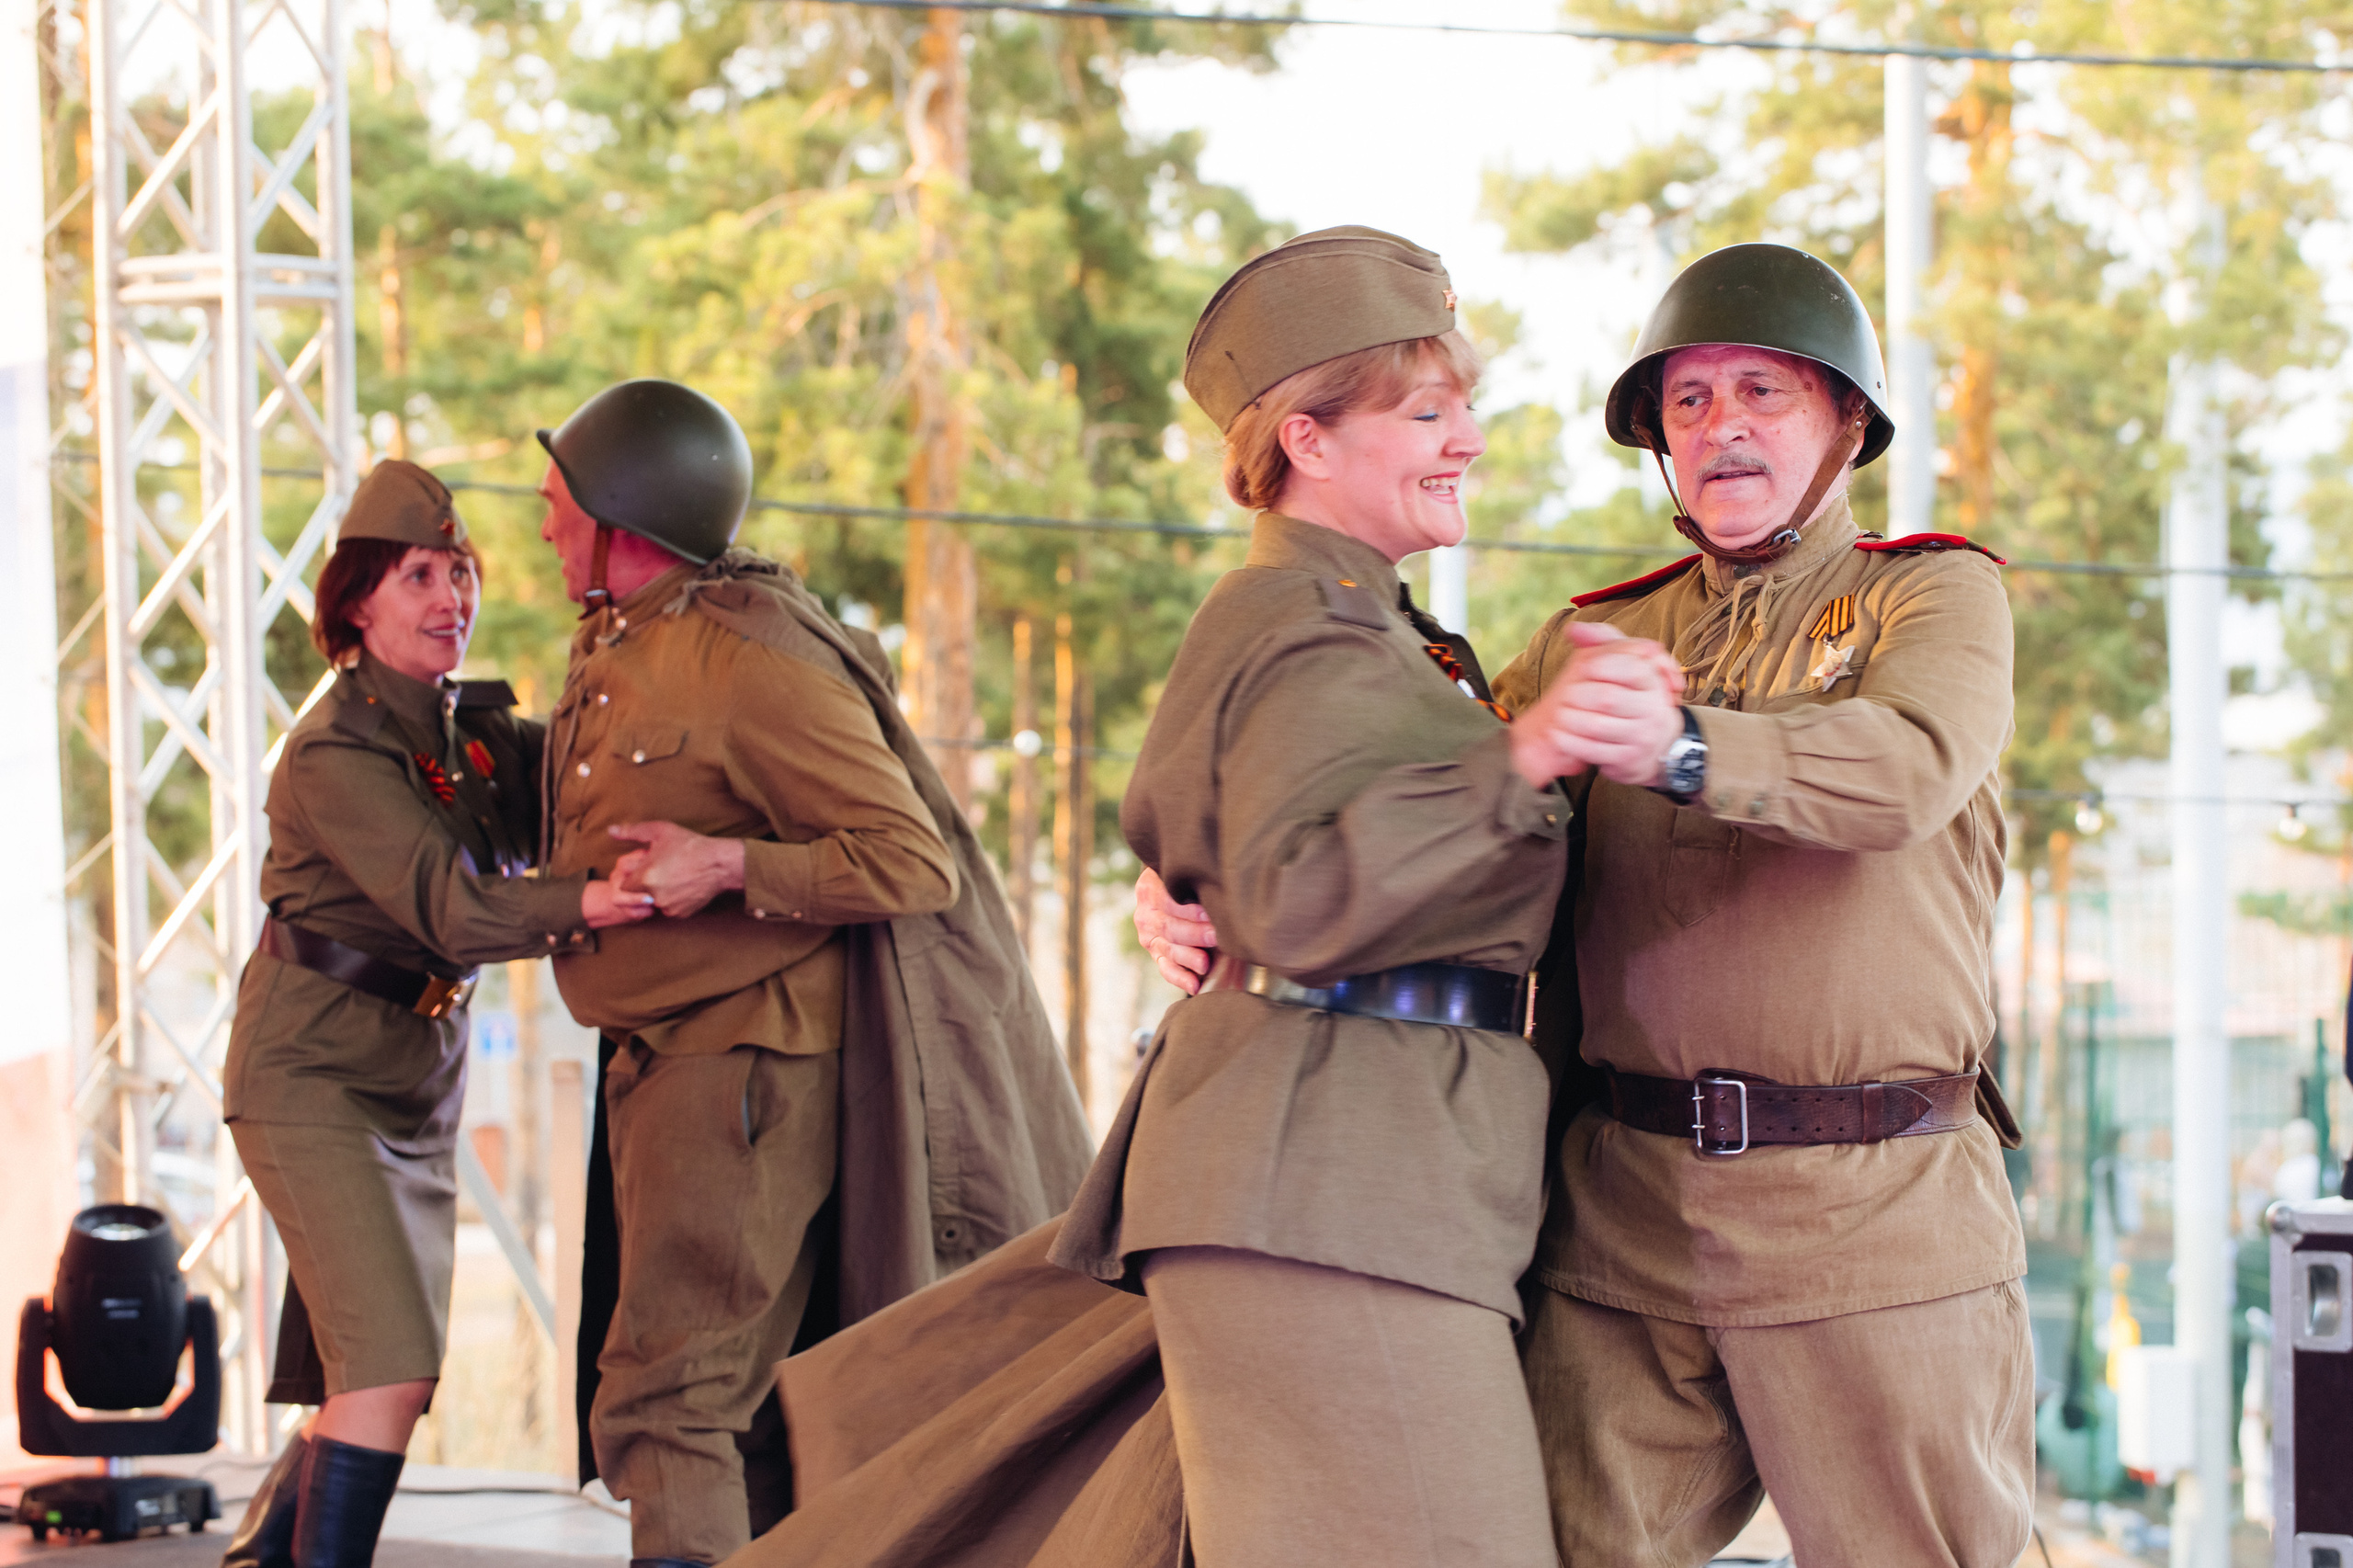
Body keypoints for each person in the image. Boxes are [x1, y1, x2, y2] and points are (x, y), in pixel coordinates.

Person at [1143, 241, 2033, 1568]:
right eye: (1688, 402)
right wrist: (1184, 873)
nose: (1721, 426)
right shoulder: (1588, 637)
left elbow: (1903, 771)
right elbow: (1414, 791)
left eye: (1762, 393)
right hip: (1622, 1223)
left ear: (1847, 418)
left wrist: (1679, 748)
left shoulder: (1932, 594)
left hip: (1872, 1215)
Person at [1038, 224, 1610, 1567]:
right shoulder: (1300, 618)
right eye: (1427, 409)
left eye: (1462, 401)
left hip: (1350, 1186)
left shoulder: (1369, 625)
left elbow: (1244, 844)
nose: (1467, 434)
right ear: (1307, 438)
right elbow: (1296, 895)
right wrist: (1524, 755)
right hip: (1330, 1195)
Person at [533, 379, 1094, 1568]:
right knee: (746, 1407)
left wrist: (724, 864)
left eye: (560, 502)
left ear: (624, 517)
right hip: (670, 1062)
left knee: (670, 1400)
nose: (543, 526)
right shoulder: (628, 637)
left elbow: (908, 859)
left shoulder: (749, 656)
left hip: (737, 1071)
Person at [219, 460, 653, 1568]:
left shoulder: (465, 734)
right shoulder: (333, 751)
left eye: (459, 571)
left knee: (374, 1375)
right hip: (311, 1078)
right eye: (419, 575)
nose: (450, 596)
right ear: (356, 601)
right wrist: (604, 900)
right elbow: (454, 909)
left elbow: (590, 766)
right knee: (388, 1368)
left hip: (412, 1079)